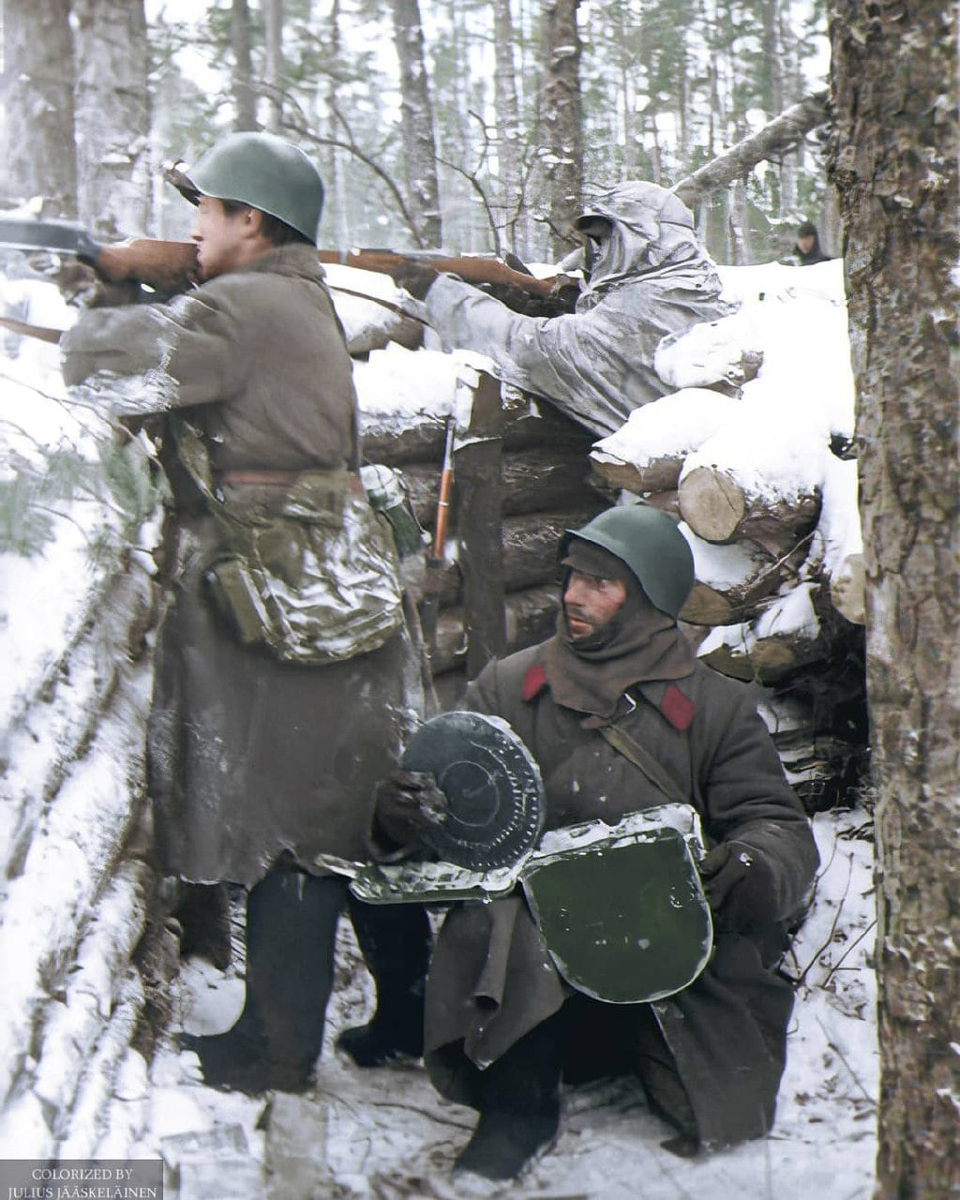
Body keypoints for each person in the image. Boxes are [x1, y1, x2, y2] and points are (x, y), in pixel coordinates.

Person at [59, 131, 430, 1093]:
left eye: (205, 209)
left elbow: (106, 373)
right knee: (349, 809)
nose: (192, 225)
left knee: (288, 830)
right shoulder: (294, 294)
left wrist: (107, 282)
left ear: (250, 222)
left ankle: (275, 1051)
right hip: (321, 581)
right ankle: (408, 1020)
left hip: (275, 591)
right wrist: (152, 283)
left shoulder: (246, 303)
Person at [373, 504, 820, 1181]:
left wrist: (757, 864)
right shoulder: (509, 688)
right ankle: (517, 1111)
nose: (575, 597)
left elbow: (777, 824)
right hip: (531, 977)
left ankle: (634, 1053)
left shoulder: (716, 709)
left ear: (647, 600)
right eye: (573, 578)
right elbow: (455, 831)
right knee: (512, 908)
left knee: (716, 1110)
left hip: (661, 964)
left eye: (602, 584)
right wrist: (402, 819)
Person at [393, 181, 734, 437]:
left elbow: (529, 348)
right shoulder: (698, 289)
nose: (599, 252)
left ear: (640, 238)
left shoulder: (639, 308)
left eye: (606, 239)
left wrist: (438, 292)